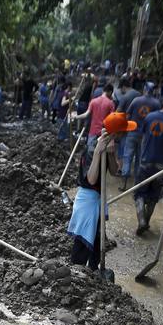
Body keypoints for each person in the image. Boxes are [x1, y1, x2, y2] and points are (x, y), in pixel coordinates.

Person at [67, 113, 136, 272]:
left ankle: (93, 270)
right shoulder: (93, 148)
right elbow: (91, 179)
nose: (125, 134)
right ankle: (76, 274)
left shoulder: (110, 143)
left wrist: (111, 153)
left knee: (97, 240)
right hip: (87, 200)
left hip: (98, 198)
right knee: (83, 241)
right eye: (123, 132)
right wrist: (99, 152)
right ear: (116, 133)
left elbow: (113, 171)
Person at [133, 89, 163, 234]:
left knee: (139, 193)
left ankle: (141, 220)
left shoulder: (149, 117)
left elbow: (143, 139)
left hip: (145, 161)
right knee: (154, 197)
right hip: (161, 165)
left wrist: (141, 157)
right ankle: (146, 221)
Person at [119, 81, 160, 190]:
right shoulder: (156, 103)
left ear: (144, 89)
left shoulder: (136, 100)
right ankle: (136, 185)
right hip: (146, 135)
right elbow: (157, 121)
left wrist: (124, 128)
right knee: (139, 159)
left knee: (127, 156)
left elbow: (127, 115)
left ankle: (124, 183)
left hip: (132, 132)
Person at [73, 83, 115, 152]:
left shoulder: (93, 101)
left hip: (93, 131)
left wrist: (76, 117)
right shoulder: (110, 103)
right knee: (101, 154)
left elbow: (86, 114)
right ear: (110, 92)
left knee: (90, 152)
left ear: (103, 91)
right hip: (104, 132)